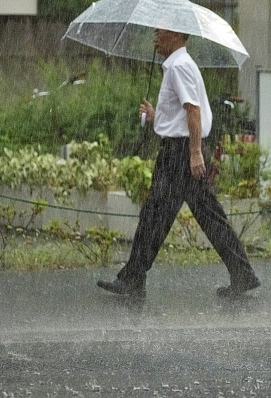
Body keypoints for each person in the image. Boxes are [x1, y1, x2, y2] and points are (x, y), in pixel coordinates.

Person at [97, 28, 260, 299]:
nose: (155, 38)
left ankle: (134, 278)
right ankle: (242, 273)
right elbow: (180, 114)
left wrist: (195, 153)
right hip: (181, 151)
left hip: (181, 154)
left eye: (160, 33)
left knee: (156, 215)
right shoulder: (177, 65)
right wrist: (155, 116)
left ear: (175, 35)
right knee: (202, 215)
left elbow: (192, 111)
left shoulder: (179, 66)